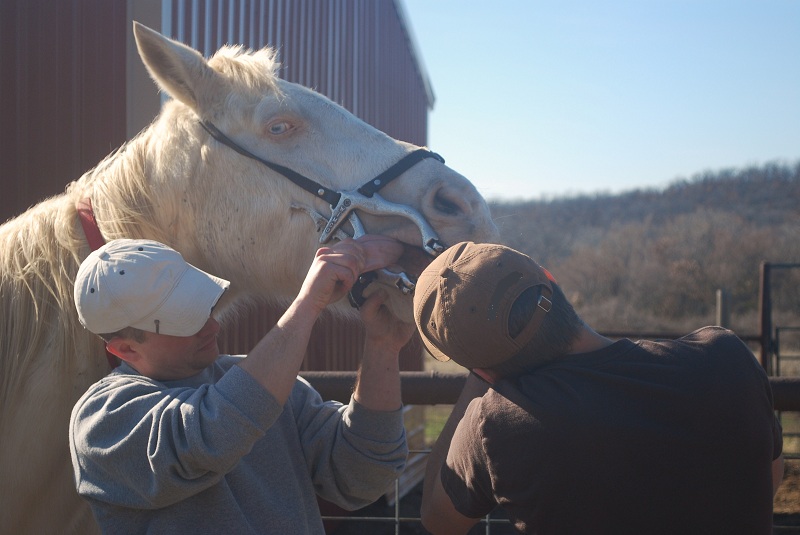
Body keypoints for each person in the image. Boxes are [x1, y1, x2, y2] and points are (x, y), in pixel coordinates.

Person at [413, 241, 784, 535]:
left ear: (481, 370)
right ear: (551, 279)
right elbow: (769, 481)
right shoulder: (726, 358)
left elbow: (438, 520)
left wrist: (478, 379)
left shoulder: (495, 422)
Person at [69, 237, 415, 534]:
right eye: (185, 320)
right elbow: (214, 435)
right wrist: (308, 304)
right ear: (125, 350)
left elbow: (363, 474)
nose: (211, 327)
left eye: (203, 306)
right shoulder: (103, 420)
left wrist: (383, 347)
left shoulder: (263, 382)